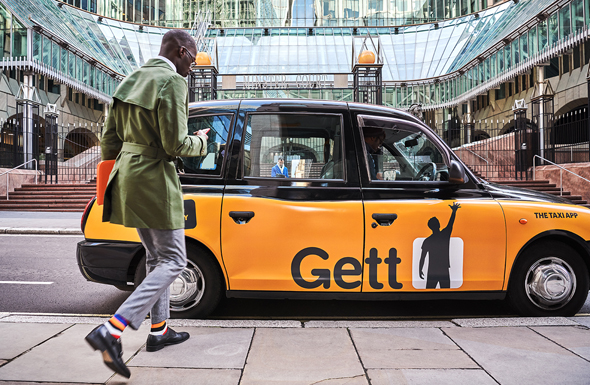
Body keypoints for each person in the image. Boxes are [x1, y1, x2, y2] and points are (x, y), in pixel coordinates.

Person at [84, 30, 209, 379]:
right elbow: (173, 145)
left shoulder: (130, 80)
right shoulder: (172, 82)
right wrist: (200, 142)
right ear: (182, 52)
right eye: (193, 60)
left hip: (126, 178)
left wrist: (110, 183)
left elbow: (109, 143)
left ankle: (160, 331)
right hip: (155, 178)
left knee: (155, 258)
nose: (192, 68)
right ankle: (112, 329)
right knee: (174, 260)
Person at [419, 202, 461, 289]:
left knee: (429, 293)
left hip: (432, 270)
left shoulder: (428, 240)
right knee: (446, 292)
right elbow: (451, 223)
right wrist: (454, 211)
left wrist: (420, 269)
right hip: (443, 269)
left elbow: (422, 257)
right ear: (438, 224)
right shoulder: (444, 234)